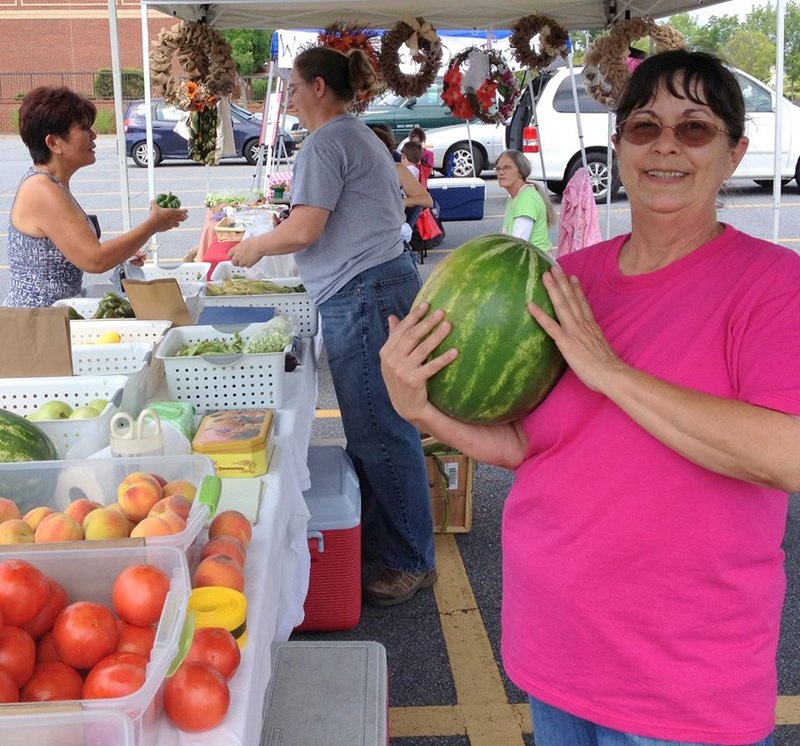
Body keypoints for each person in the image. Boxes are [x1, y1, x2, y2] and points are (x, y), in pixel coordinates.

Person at [379, 49, 800, 744]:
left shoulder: (771, 285)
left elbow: (786, 456)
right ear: (618, 146)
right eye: (644, 127)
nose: (666, 144)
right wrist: (418, 407)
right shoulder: (565, 282)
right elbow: (527, 445)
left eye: (694, 128)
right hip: (555, 652)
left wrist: (610, 372)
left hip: (684, 685)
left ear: (734, 154)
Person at [228, 46, 437, 606]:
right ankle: (394, 543)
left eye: (294, 87)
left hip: (364, 293)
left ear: (319, 86)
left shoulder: (327, 142)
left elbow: (303, 231)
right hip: (377, 284)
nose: (290, 98)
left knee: (379, 430)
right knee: (382, 426)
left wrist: (252, 247)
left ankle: (410, 559)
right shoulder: (355, 134)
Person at [6, 86, 188, 308]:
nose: (94, 135)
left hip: (55, 318)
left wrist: (124, 252)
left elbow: (81, 250)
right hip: (38, 326)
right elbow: (95, 259)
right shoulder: (41, 189)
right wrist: (152, 225)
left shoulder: (53, 184)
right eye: (84, 128)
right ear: (54, 143)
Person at [495, 149, 554, 252]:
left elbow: (518, 244)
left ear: (521, 172)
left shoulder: (526, 199)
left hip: (535, 264)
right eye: (498, 169)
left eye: (507, 168)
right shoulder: (515, 197)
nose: (501, 172)